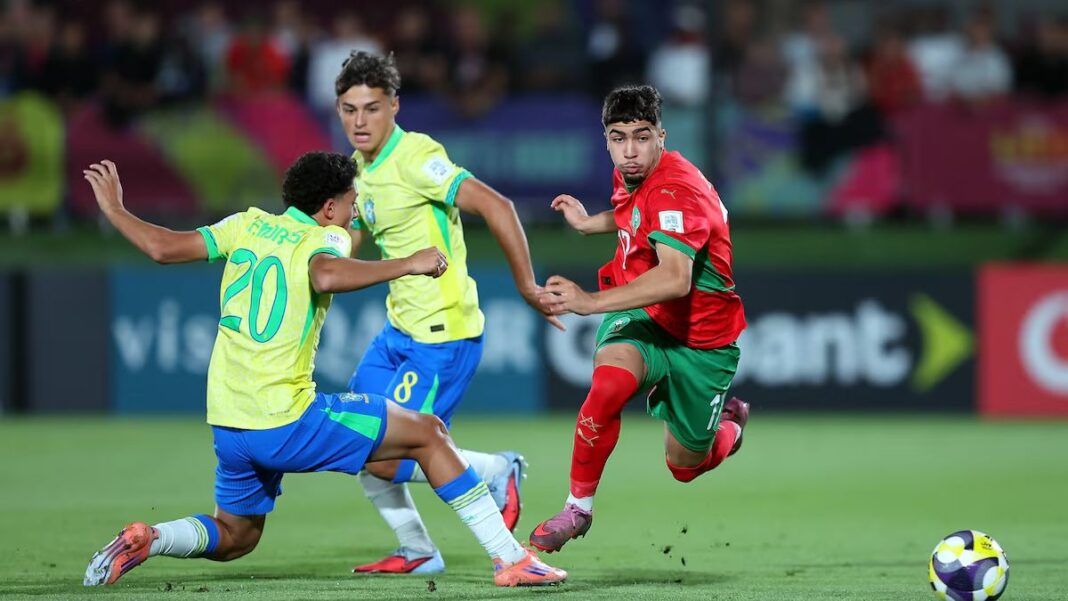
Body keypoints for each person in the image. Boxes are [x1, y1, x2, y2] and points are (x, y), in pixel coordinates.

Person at [80, 153, 566, 588]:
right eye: (352, 203)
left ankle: (151, 538)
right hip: (286, 418)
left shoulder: (245, 224)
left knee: (236, 536)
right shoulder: (327, 234)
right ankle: (510, 557)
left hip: (229, 423)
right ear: (330, 207)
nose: (356, 213)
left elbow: (163, 248)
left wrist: (117, 210)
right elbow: (326, 273)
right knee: (428, 432)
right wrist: (408, 263)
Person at [334, 51, 562, 574]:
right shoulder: (358, 169)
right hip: (397, 331)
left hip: (443, 335)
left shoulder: (416, 156)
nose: (359, 121)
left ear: (395, 105)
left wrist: (526, 284)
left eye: (371, 108)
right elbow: (355, 236)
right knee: (356, 439)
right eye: (349, 109)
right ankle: (417, 552)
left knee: (388, 455)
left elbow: (497, 206)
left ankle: (498, 470)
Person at [527, 85, 750, 553]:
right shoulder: (632, 173)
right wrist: (591, 223)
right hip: (643, 316)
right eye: (618, 137)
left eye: (642, 137)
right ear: (606, 139)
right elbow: (635, 213)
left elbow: (674, 278)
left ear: (662, 137)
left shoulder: (675, 190)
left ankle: (729, 427)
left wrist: (587, 303)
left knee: (685, 465)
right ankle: (578, 508)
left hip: (700, 341)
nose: (629, 150)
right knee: (607, 388)